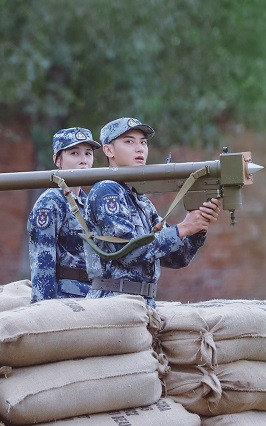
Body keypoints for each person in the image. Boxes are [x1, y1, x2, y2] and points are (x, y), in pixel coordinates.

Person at [83, 117, 221, 306]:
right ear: (108, 150)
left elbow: (176, 258)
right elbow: (127, 253)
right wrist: (182, 228)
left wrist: (197, 226)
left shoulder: (139, 199)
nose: (140, 148)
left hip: (143, 303)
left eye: (143, 142)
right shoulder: (107, 190)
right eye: (129, 141)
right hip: (114, 304)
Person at [27, 126, 101, 302]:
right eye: (74, 153)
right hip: (63, 298)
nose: (83, 160)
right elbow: (43, 264)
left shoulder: (89, 202)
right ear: (57, 160)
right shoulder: (51, 202)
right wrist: (42, 311)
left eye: (88, 154)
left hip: (93, 295)